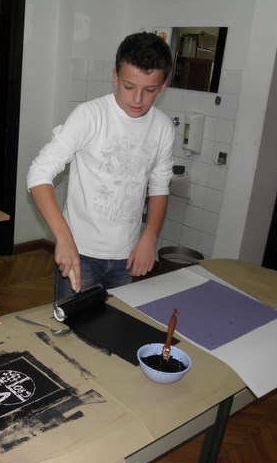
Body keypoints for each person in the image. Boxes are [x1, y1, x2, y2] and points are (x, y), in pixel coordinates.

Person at [27, 32, 174, 301]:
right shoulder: (90, 116)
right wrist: (64, 238)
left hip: (126, 254)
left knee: (115, 321)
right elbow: (39, 174)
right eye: (129, 86)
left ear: (163, 85)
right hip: (80, 252)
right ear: (115, 77)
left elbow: (159, 187)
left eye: (149, 90)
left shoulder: (163, 128)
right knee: (73, 322)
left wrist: (150, 237)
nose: (137, 99)